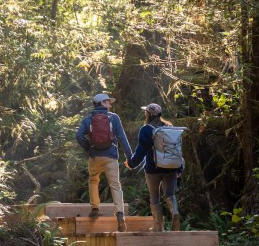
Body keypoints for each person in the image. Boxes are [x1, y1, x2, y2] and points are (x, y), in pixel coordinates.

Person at [76, 93, 132, 232]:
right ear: (102, 103)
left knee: (93, 181)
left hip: (94, 157)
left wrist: (89, 149)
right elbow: (122, 138)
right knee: (115, 185)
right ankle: (120, 214)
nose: (110, 105)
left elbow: (79, 136)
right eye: (108, 102)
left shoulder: (88, 119)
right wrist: (130, 156)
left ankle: (95, 208)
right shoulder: (114, 118)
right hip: (111, 157)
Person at [125, 103, 182, 231]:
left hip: (153, 169)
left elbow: (141, 151)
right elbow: (177, 150)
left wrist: (131, 163)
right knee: (169, 194)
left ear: (148, 114)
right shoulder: (169, 127)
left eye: (146, 112)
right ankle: (175, 213)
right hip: (171, 167)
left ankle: (157, 226)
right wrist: (179, 168)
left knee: (155, 197)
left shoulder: (146, 130)